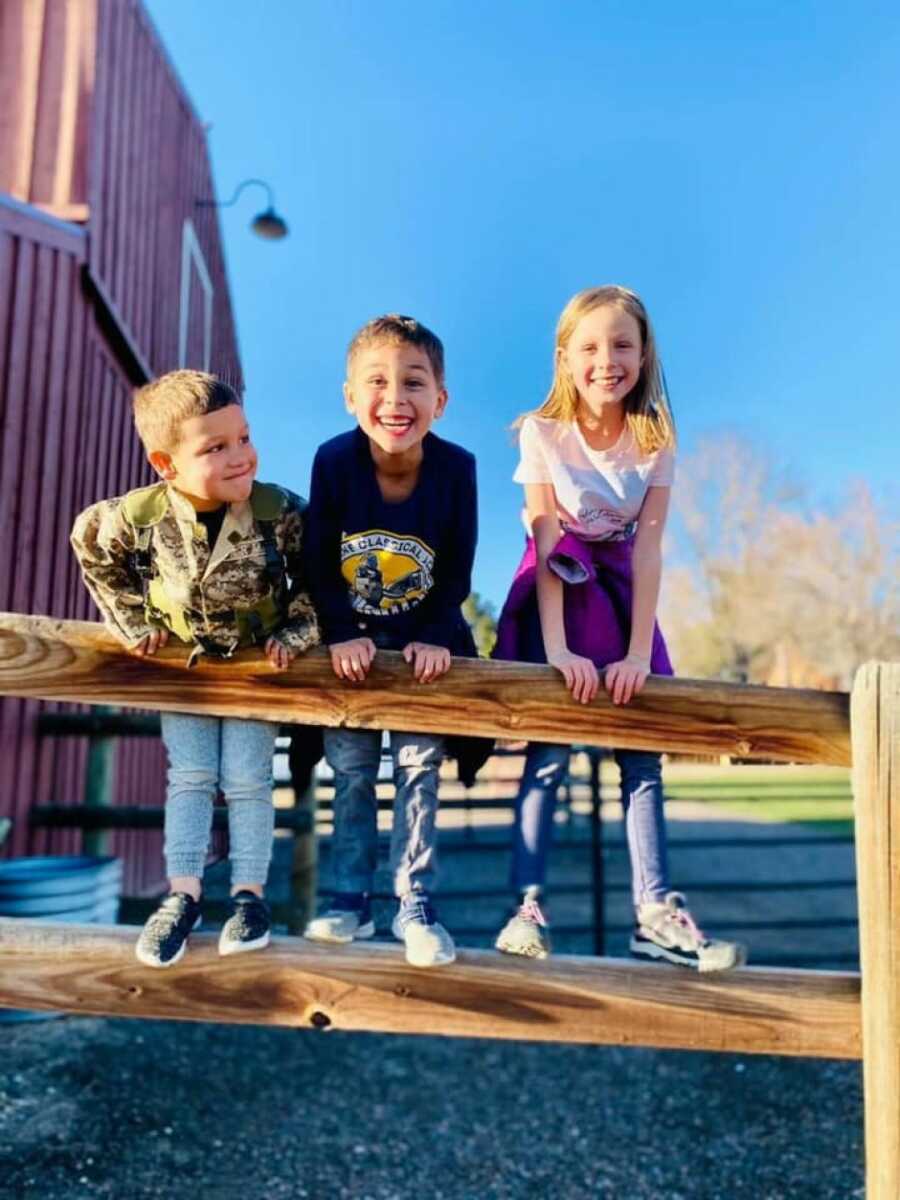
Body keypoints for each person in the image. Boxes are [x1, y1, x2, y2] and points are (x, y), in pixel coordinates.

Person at [492, 286, 745, 972]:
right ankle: (526, 906)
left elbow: (648, 548)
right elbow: (546, 540)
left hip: (621, 590)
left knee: (642, 753)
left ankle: (655, 911)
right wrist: (557, 651)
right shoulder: (545, 434)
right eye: (592, 347)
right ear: (566, 358)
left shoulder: (655, 439)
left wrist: (638, 652)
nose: (608, 360)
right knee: (548, 753)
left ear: (644, 353)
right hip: (560, 583)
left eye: (623, 344)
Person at [71, 370, 319, 968]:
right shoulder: (140, 515)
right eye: (215, 448)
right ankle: (182, 895)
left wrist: (297, 630)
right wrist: (134, 622)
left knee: (248, 780)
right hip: (185, 668)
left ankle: (248, 898)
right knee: (190, 776)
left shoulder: (278, 510)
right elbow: (89, 544)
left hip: (257, 666)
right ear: (166, 463)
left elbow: (318, 575)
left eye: (243, 437)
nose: (240, 457)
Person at [302, 314, 479, 968]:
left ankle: (414, 901)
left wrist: (436, 636)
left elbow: (457, 565)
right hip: (351, 653)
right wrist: (343, 632)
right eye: (377, 382)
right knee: (350, 769)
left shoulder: (457, 469)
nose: (395, 399)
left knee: (418, 766)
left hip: (423, 653)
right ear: (351, 396)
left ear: (441, 399)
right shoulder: (334, 461)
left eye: (414, 382)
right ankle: (352, 899)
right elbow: (319, 560)